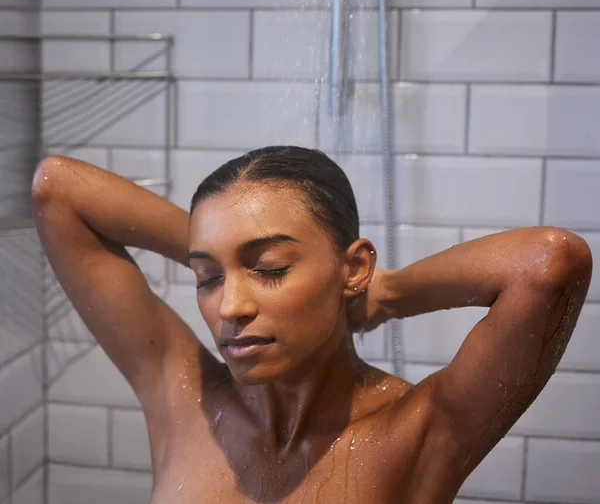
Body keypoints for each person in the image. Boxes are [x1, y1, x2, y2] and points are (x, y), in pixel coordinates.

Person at [32, 145, 592, 504]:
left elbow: (549, 263)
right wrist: (228, 253)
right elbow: (56, 187)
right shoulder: (184, 402)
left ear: (353, 267)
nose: (230, 307)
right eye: (206, 278)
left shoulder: (415, 433)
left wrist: (388, 294)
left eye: (269, 268)